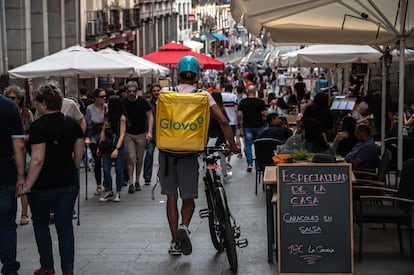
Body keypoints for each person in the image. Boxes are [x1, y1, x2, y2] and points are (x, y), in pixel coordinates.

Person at [158, 56, 239, 257]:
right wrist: (233, 144)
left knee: (171, 197)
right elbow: (222, 121)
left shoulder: (165, 93)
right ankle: (184, 226)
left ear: (178, 73)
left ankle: (175, 242)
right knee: (189, 197)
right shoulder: (203, 95)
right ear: (196, 75)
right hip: (189, 154)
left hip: (167, 154)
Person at [19, 84, 84, 275]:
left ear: (44, 104)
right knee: (65, 227)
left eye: (37, 102)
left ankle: (48, 267)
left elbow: (37, 160)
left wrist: (27, 185)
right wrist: (70, 167)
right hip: (68, 182)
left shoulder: (38, 127)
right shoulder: (72, 123)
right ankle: (68, 269)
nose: (36, 106)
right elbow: (79, 154)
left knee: (41, 225)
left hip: (43, 186)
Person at [0, 92, 25, 275]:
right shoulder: (9, 107)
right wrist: (20, 175)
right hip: (5, 173)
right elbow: (19, 146)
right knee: (7, 225)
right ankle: (9, 268)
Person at [4, 85, 34, 226]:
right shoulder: (8, 108)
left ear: (20, 99)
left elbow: (31, 133)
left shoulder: (26, 113)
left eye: (13, 98)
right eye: (9, 97)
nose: (11, 100)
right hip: (9, 156)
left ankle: (24, 213)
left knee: (22, 185)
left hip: (22, 153)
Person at [122, 81, 153, 193]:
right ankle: (131, 182)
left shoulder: (143, 102)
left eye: (133, 91)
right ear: (126, 91)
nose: (131, 93)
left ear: (136, 91)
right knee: (131, 157)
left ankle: (137, 181)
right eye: (129, 91)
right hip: (128, 134)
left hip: (141, 133)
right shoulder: (123, 102)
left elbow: (150, 116)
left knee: (140, 159)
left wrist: (149, 131)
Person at [98, 95, 127, 202]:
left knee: (119, 170)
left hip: (117, 144)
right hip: (107, 144)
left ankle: (118, 192)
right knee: (106, 169)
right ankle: (109, 191)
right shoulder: (107, 116)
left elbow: (122, 134)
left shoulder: (122, 118)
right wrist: (100, 145)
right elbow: (103, 131)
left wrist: (117, 149)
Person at [237, 85, 267, 172]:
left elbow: (239, 114)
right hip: (259, 126)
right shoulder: (260, 102)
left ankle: (250, 164)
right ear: (255, 92)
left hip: (247, 126)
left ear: (248, 92)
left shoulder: (243, 102)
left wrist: (239, 123)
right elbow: (265, 114)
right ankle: (259, 163)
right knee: (259, 145)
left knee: (248, 145)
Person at [85, 88, 107, 196]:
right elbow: (87, 123)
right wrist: (87, 137)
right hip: (94, 138)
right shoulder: (89, 109)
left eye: (105, 96)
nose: (104, 98)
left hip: (105, 138)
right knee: (97, 162)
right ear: (96, 98)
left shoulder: (107, 108)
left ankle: (106, 182)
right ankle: (99, 184)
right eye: (102, 96)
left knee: (106, 161)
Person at [143, 84, 161, 185]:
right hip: (150, 133)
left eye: (158, 90)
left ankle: (161, 176)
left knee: (162, 156)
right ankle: (147, 176)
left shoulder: (164, 102)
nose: (156, 92)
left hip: (162, 133)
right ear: (151, 92)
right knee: (149, 154)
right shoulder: (147, 103)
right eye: (154, 91)